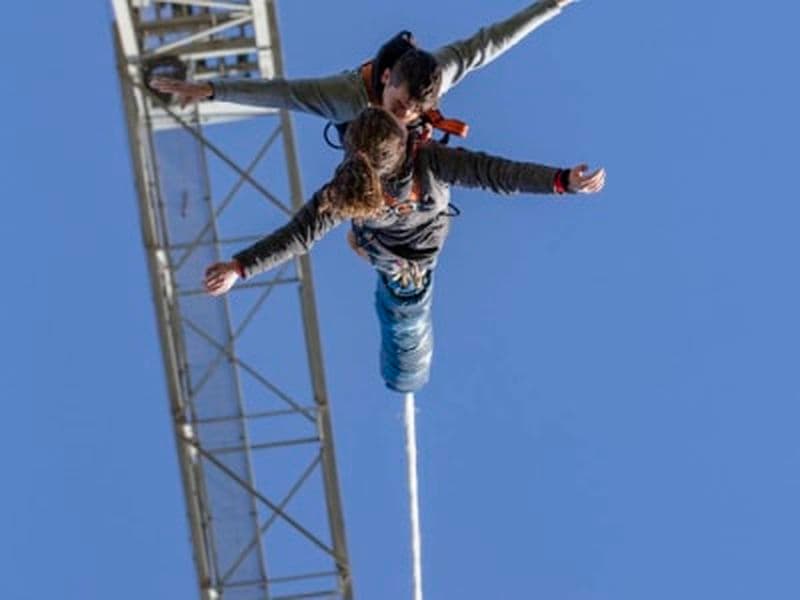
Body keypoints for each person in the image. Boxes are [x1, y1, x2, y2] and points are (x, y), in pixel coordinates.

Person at [203, 108, 606, 392]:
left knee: (408, 278)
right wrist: (241, 267)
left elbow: (497, 174)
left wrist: (559, 180)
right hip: (388, 250)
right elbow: (298, 235)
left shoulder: (430, 161)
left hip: (421, 243)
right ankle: (366, 244)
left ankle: (372, 246)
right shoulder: (342, 192)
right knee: (402, 284)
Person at [150, 0, 577, 128]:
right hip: (363, 146)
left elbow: (492, 41)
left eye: (412, 111)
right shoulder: (343, 97)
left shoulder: (439, 74)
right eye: (398, 107)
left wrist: (550, 6)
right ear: (386, 78)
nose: (403, 115)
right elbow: (283, 93)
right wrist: (211, 90)